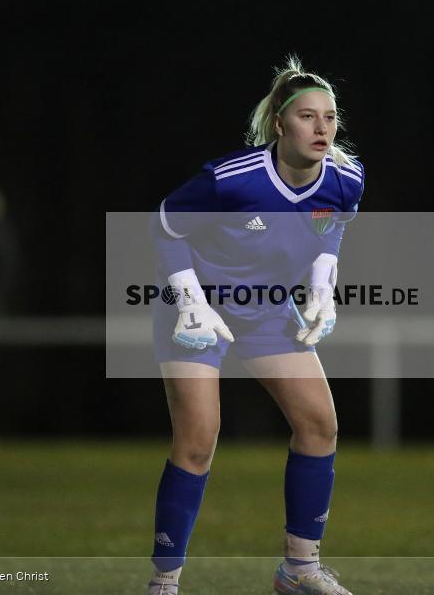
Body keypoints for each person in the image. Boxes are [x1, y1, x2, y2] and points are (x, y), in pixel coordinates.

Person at [145, 55, 364, 595]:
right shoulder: (230, 178)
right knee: (197, 439)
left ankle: (298, 569)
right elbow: (164, 228)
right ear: (280, 125)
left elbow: (331, 229)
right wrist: (193, 303)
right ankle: (164, 582)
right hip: (193, 307)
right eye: (308, 117)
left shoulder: (345, 177)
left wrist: (321, 287)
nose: (322, 129)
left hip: (265, 310)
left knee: (319, 424)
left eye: (330, 117)